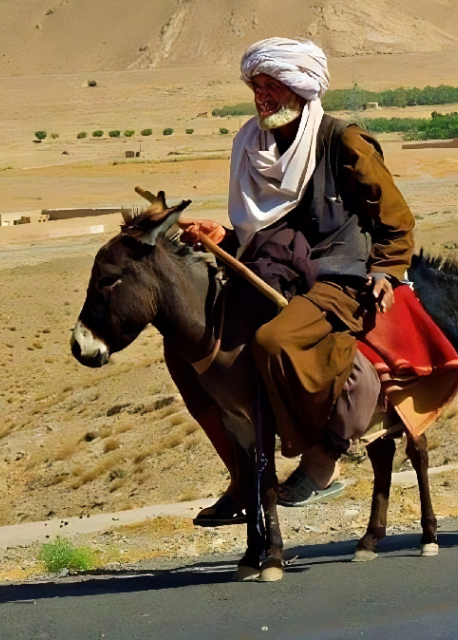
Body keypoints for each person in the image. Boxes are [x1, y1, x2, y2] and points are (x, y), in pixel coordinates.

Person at [180, 37, 415, 517]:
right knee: (190, 348)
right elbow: (263, 227)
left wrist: (387, 269)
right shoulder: (253, 142)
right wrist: (221, 235)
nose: (260, 98)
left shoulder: (342, 139)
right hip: (275, 267)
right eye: (256, 87)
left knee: (274, 342)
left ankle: (324, 455)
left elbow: (394, 216)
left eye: (271, 87)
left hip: (338, 273)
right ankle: (244, 479)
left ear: (300, 89)